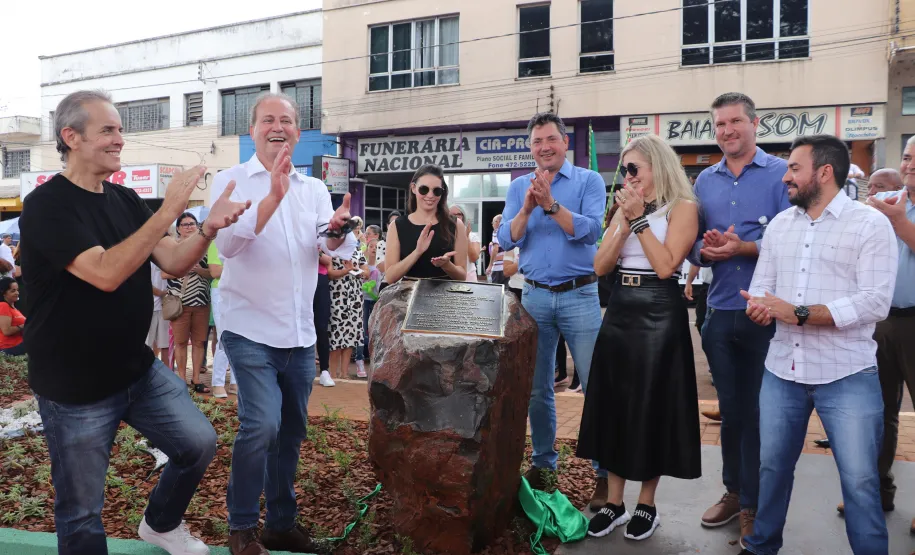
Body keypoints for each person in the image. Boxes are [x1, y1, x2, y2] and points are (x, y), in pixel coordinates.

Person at [20, 89, 248, 555]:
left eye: (121, 129)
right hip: (73, 387)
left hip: (135, 369)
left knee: (198, 443)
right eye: (108, 129)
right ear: (71, 137)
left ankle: (160, 524)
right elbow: (104, 272)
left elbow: (173, 261)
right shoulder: (46, 206)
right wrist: (168, 209)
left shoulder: (124, 199)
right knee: (81, 512)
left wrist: (206, 229)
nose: (120, 139)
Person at [738, 135, 896, 555]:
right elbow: (762, 289)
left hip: (848, 373)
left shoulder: (870, 224)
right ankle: (760, 547)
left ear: (824, 172)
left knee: (860, 480)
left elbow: (876, 301)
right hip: (782, 369)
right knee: (771, 469)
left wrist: (801, 312)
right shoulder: (780, 226)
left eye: (794, 168)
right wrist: (761, 307)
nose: (786, 176)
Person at [212, 92, 352, 555]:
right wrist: (271, 197)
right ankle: (242, 527)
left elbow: (327, 250)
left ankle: (281, 523)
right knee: (262, 425)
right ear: (252, 131)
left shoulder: (312, 188)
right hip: (248, 328)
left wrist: (335, 232)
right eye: (268, 120)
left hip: (299, 334)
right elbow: (228, 247)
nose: (278, 127)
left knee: (291, 431)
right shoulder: (230, 181)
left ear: (298, 131)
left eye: (287, 121)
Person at [578, 134, 701, 540]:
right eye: (624, 169)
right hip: (621, 307)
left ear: (657, 168)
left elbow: (667, 266)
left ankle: (646, 504)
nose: (627, 176)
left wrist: (640, 221)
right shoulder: (625, 209)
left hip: (659, 309)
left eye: (635, 169)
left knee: (651, 403)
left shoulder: (682, 207)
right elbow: (599, 265)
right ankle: (614, 502)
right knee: (615, 401)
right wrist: (622, 222)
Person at [689, 93, 791, 538]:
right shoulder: (704, 182)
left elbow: (795, 244)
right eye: (719, 125)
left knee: (759, 413)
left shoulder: (781, 175)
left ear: (755, 123)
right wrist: (707, 251)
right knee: (731, 412)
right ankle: (735, 492)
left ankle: (754, 501)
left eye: (735, 122)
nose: (727, 131)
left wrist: (744, 247)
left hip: (766, 314)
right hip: (720, 310)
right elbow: (692, 245)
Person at [497, 112, 607, 507]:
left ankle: (605, 473)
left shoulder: (589, 181)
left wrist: (552, 204)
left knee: (596, 386)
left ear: (565, 143)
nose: (544, 147)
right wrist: (527, 208)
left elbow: (592, 231)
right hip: (536, 297)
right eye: (536, 142)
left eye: (550, 140)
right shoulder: (518, 186)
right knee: (537, 388)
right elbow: (504, 238)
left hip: (580, 295)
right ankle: (544, 465)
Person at [830, 138, 915, 532]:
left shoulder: (894, 211)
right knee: (878, 412)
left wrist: (899, 223)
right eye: (908, 156)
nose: (910, 164)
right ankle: (875, 492)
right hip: (878, 322)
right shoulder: (886, 200)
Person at [383, 164, 468, 283]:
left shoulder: (456, 224)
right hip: (408, 297)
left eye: (436, 191)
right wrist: (417, 252)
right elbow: (390, 276)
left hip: (446, 298)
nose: (430, 195)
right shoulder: (397, 226)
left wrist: (447, 265)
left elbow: (462, 276)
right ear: (413, 188)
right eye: (424, 189)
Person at [164, 212, 212, 394]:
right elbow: (164, 274)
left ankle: (197, 379)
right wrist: (183, 268)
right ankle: (182, 378)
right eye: (185, 224)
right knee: (181, 342)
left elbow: (211, 273)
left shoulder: (205, 247)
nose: (190, 227)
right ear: (178, 228)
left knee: (200, 342)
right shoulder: (172, 247)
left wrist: (199, 270)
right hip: (179, 302)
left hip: (202, 301)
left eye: (193, 223)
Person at [327, 237, 367, 380]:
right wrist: (346, 270)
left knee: (350, 335)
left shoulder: (357, 252)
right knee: (336, 335)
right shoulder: (331, 250)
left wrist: (358, 271)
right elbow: (330, 274)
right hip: (337, 297)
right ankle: (333, 373)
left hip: (355, 298)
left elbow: (367, 272)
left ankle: (344, 373)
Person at [208, 242, 237, 398]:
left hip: (240, 291)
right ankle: (218, 383)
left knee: (238, 336)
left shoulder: (242, 242)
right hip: (221, 291)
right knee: (223, 336)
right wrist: (240, 267)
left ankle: (234, 382)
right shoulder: (216, 242)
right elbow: (215, 271)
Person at [315, 252, 335, 387]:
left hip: (320, 279)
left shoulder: (320, 234)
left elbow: (328, 259)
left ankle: (324, 371)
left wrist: (315, 252)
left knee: (321, 326)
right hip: (297, 278)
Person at [146, 262, 170, 366]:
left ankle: (167, 371)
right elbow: (145, 283)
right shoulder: (147, 260)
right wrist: (161, 293)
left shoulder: (166, 259)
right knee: (147, 344)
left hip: (166, 307)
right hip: (150, 307)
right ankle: (148, 371)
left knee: (165, 344)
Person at [450, 205, 482, 281]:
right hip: (449, 276)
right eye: (452, 215)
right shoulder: (443, 235)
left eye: (459, 214)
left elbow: (474, 258)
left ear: (463, 216)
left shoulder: (472, 236)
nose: (456, 217)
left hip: (469, 277)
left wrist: (466, 237)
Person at [0, 277, 26, 356]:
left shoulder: (15, 309)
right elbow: (6, 331)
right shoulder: (3, 306)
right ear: (4, 293)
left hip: (20, 344)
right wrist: (25, 325)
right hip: (10, 347)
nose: (17, 293)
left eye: (17, 290)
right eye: (13, 291)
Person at [486, 215, 505, 284]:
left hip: (498, 268)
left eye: (493, 222)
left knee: (496, 292)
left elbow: (495, 249)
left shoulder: (496, 232)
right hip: (506, 268)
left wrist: (490, 265)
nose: (492, 224)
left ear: (497, 222)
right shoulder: (507, 232)